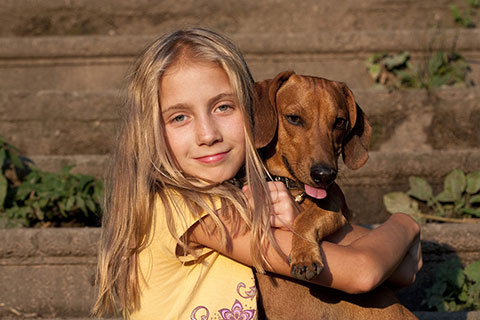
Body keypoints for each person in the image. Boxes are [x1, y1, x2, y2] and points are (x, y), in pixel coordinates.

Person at [93, 28, 422, 319]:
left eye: (224, 107)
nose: (208, 134)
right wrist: (404, 224)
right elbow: (364, 271)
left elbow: (406, 269)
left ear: (251, 110)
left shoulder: (242, 196)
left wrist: (304, 220)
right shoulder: (193, 210)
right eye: (179, 117)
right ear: (146, 132)